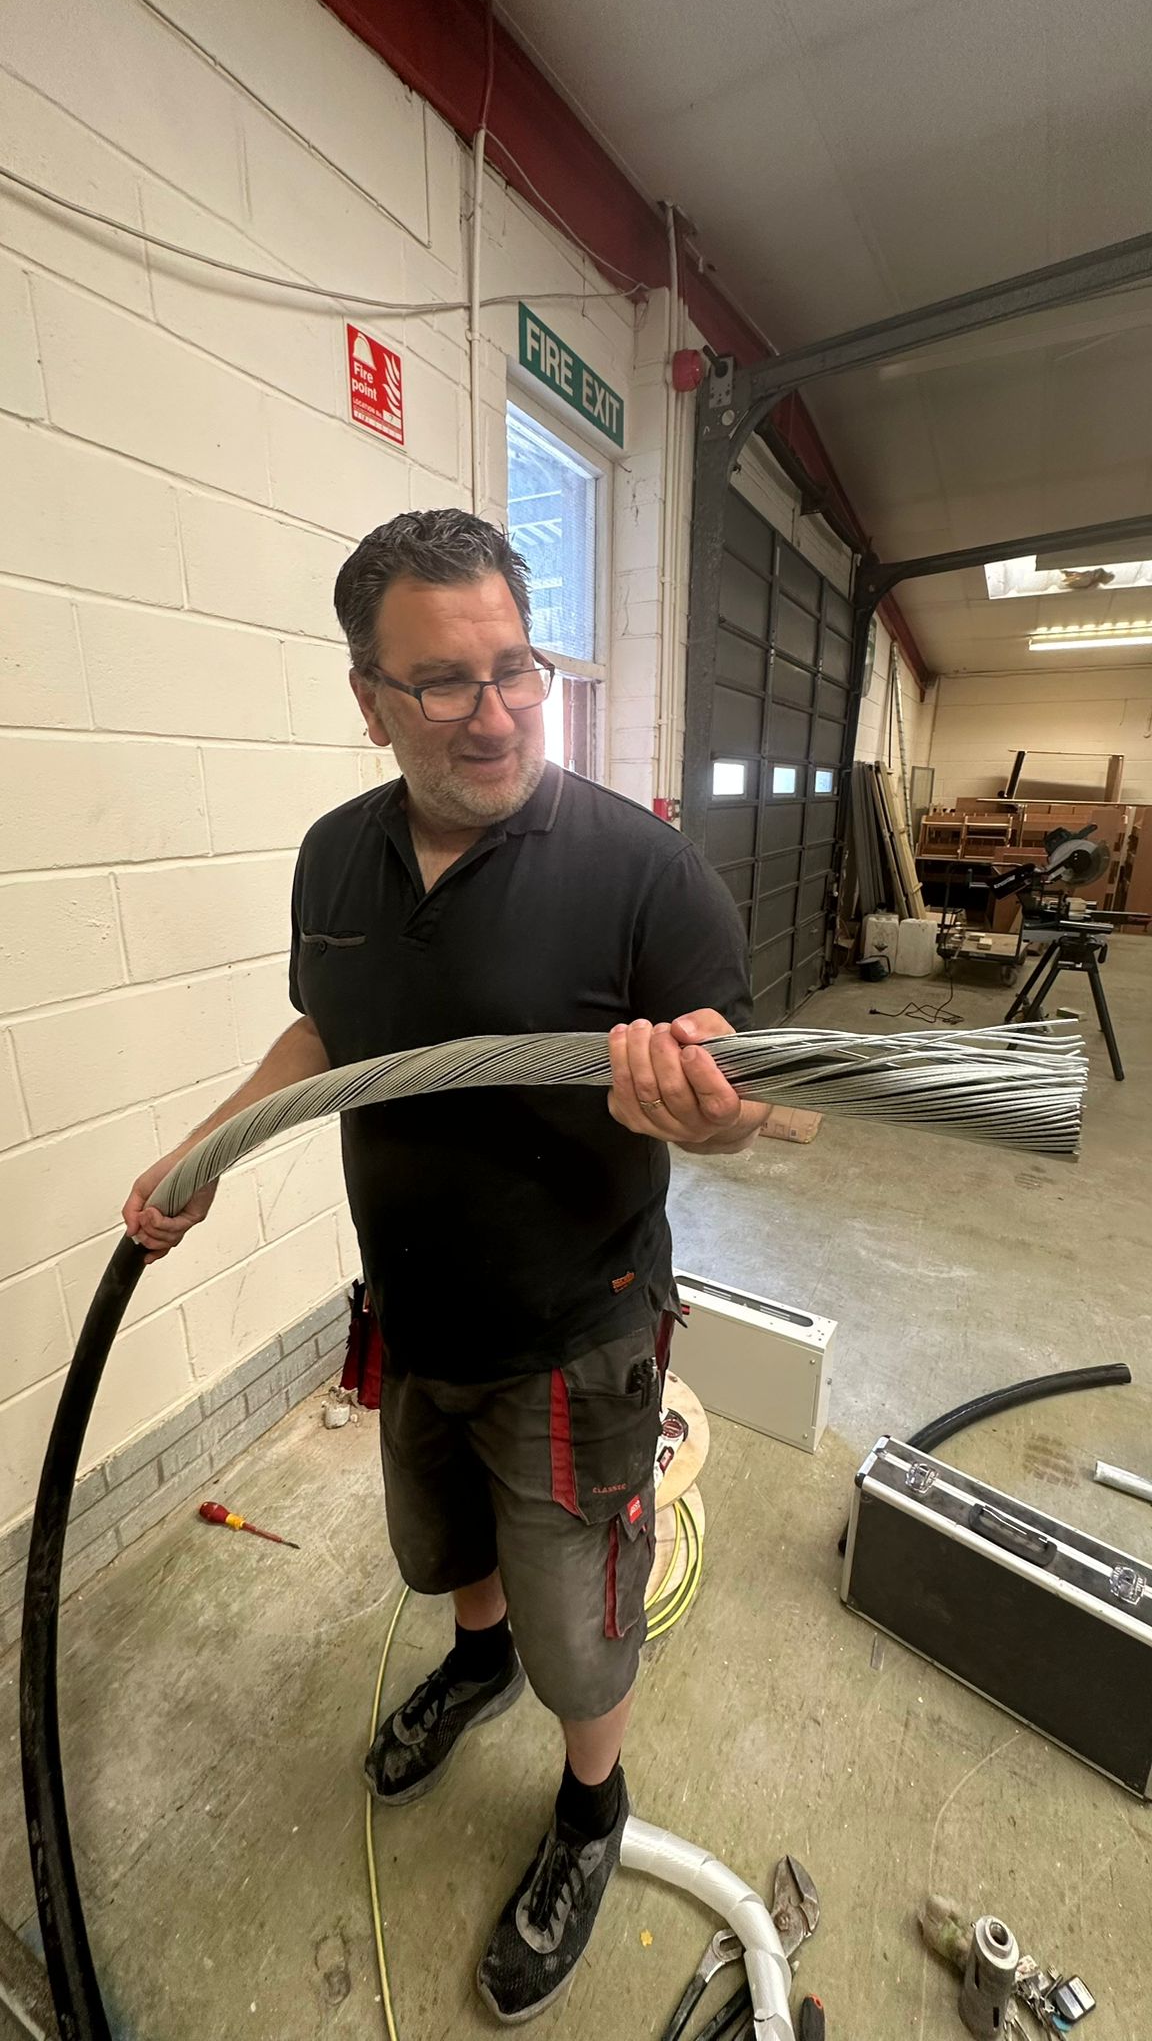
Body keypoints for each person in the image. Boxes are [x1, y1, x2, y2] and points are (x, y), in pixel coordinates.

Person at [124, 510, 766, 2024]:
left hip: (576, 1331)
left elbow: (750, 1094)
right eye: (445, 683)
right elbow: (330, 1034)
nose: (498, 713)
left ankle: (591, 1803)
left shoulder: (640, 869)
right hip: (412, 1309)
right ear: (369, 700)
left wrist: (711, 1109)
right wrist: (206, 1151)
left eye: (515, 668)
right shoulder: (334, 858)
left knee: (579, 1629)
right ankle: (474, 1665)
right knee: (445, 1547)